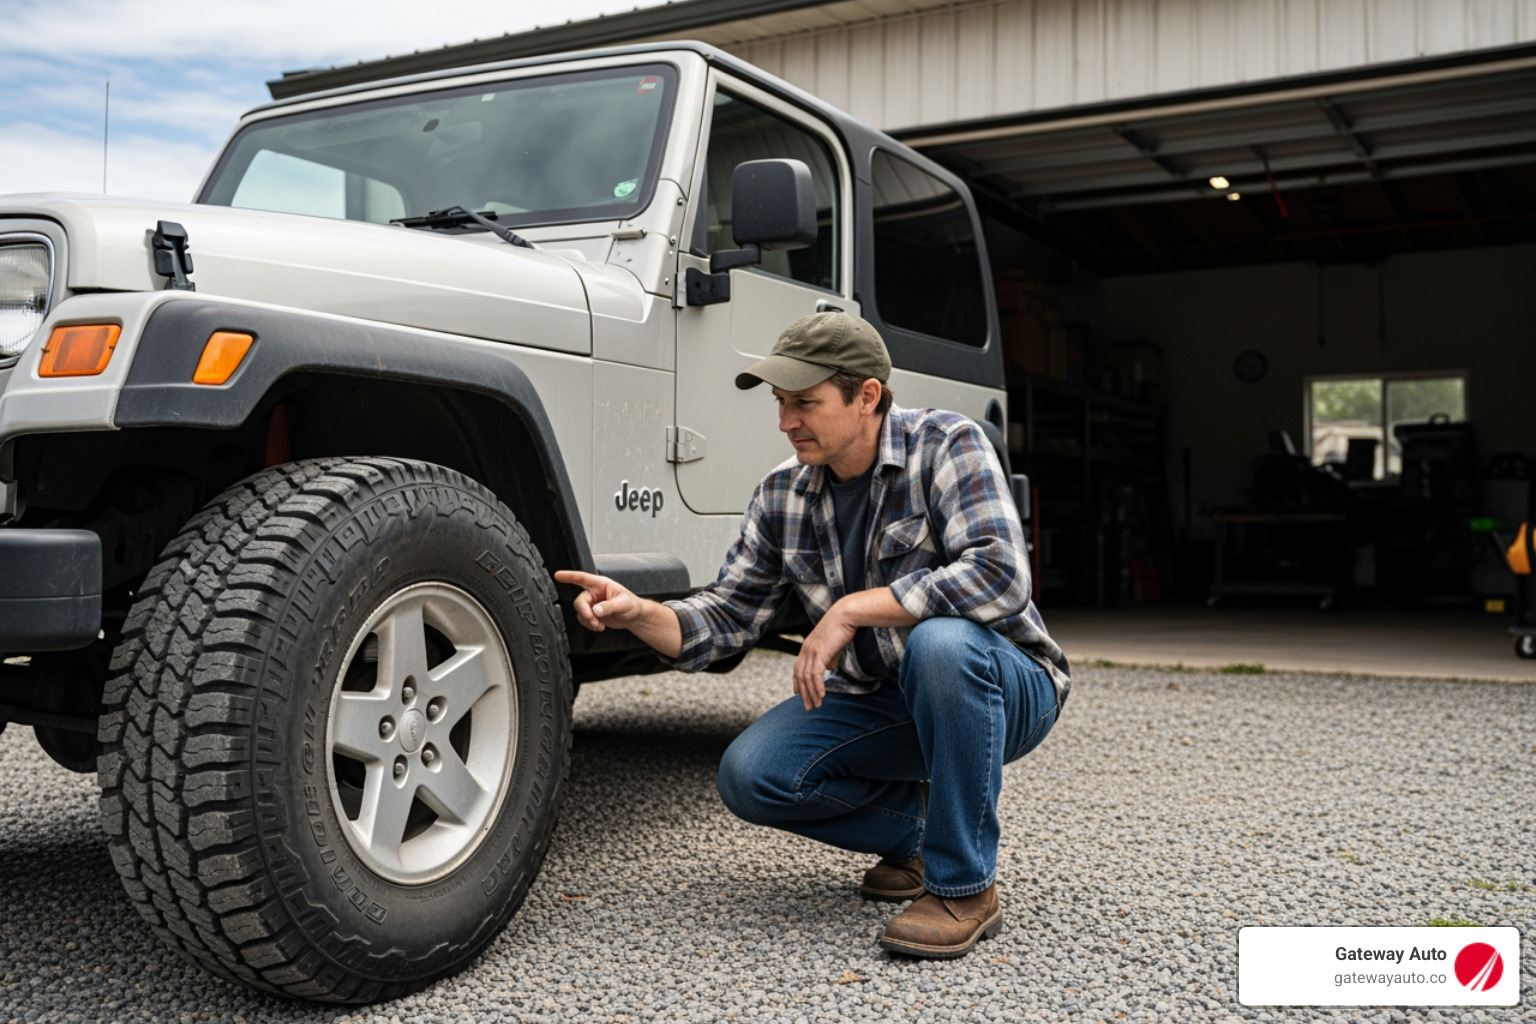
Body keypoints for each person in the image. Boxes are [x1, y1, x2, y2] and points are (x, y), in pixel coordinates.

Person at [556, 311, 1069, 959]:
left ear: (867, 396)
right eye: (780, 402)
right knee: (755, 774)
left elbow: (998, 577)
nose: (785, 421)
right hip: (884, 701)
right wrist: (640, 614)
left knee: (942, 643)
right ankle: (916, 834)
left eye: (805, 402)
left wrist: (852, 610)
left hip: (1000, 683)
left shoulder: (948, 444)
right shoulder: (781, 495)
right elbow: (725, 618)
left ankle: (963, 886)